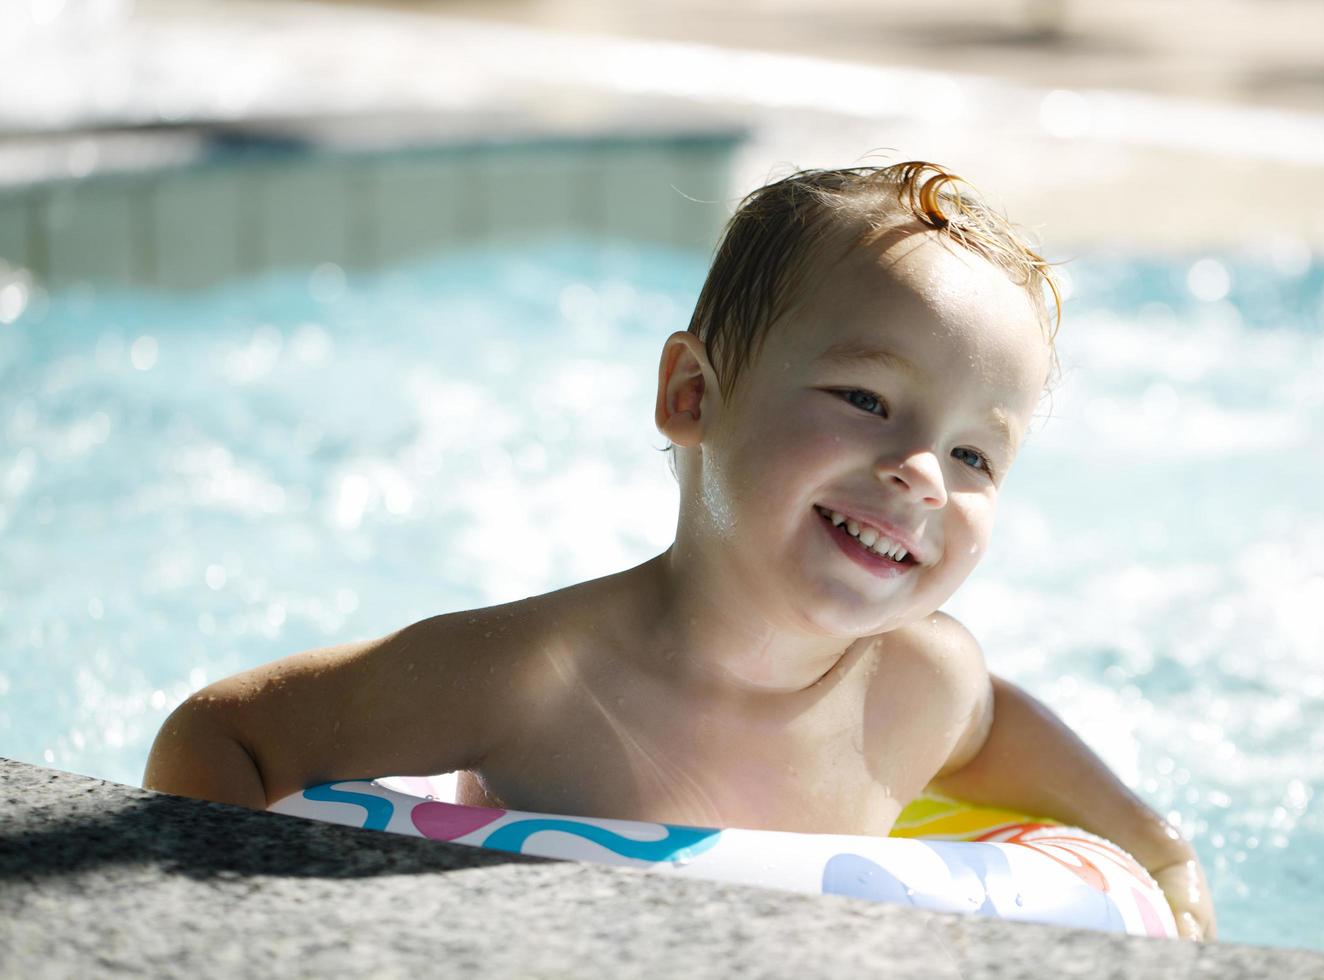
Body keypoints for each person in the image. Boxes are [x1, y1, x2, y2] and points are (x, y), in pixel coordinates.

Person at [144, 161, 1216, 940]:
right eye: (866, 398)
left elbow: (991, 730)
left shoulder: (919, 679)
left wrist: (1147, 838)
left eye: (976, 455)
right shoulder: (536, 676)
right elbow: (223, 736)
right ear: (691, 394)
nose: (920, 472)